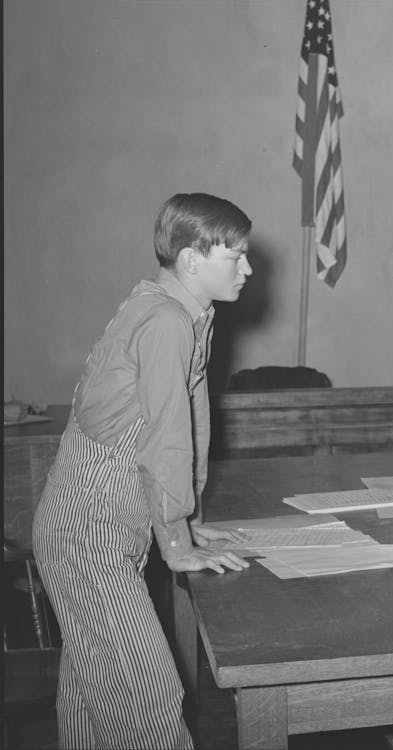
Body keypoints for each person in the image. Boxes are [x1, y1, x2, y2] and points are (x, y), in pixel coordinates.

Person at [32, 192, 255, 749]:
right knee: (147, 700)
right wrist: (177, 546)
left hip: (104, 528)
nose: (248, 269)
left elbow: (191, 425)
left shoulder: (182, 312)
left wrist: (184, 522)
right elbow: (166, 443)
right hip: (89, 535)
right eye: (236, 256)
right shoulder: (164, 321)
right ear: (191, 259)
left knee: (92, 705)